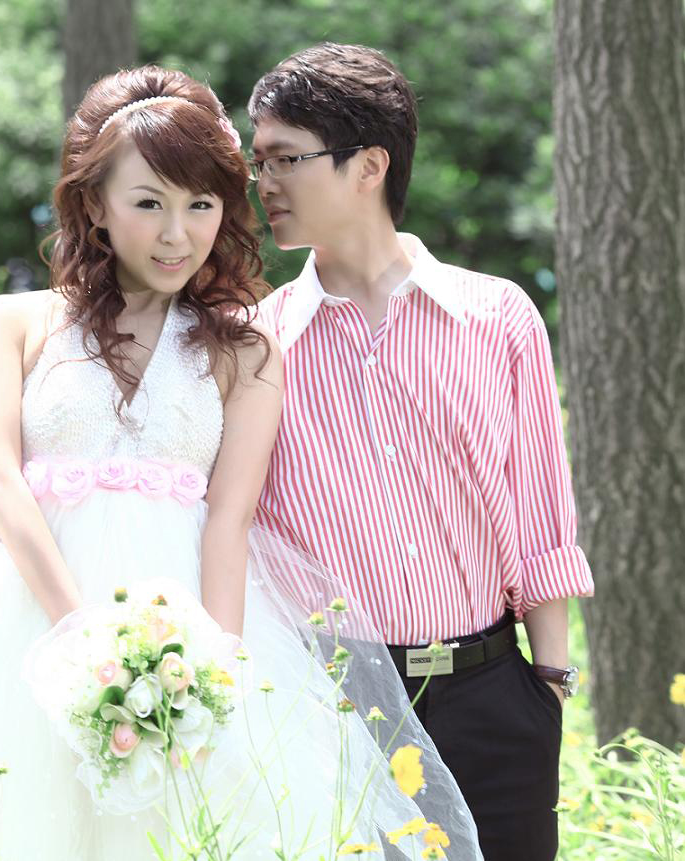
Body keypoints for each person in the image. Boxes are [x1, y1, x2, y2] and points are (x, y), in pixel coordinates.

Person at [0, 64, 480, 860]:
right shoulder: (13, 323)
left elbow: (230, 518)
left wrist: (218, 677)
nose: (177, 233)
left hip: (186, 632)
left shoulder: (245, 348)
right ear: (94, 205)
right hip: (25, 627)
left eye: (201, 205)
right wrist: (77, 642)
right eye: (148, 203)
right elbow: (0, 478)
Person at [246, 43, 595, 861]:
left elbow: (542, 516)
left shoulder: (498, 317)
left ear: (369, 165)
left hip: (494, 699)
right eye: (257, 162)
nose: (264, 183)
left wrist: (548, 690)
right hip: (336, 712)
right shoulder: (255, 345)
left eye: (285, 159)